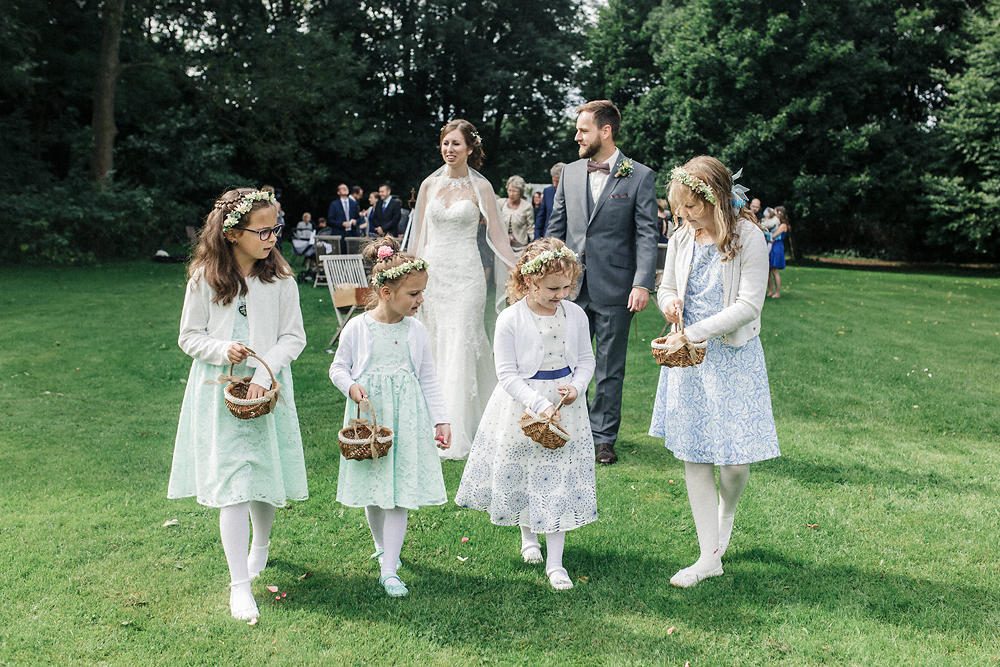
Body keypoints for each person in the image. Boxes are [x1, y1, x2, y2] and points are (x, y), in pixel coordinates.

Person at [168, 187, 308, 620]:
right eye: (262, 230)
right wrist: (221, 348)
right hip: (219, 390)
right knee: (233, 483)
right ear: (232, 233)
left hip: (267, 391)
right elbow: (189, 336)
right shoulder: (205, 279)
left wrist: (266, 375)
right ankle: (239, 585)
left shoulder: (280, 280)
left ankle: (261, 546)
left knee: (262, 472)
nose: (271, 237)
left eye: (275, 229)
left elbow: (293, 337)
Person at [650, 156, 779, 588]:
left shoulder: (750, 237)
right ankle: (708, 556)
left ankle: (728, 510)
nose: (684, 217)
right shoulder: (683, 235)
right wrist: (667, 303)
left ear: (717, 200)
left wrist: (697, 332)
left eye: (691, 207)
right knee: (695, 453)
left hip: (732, 358)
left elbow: (748, 307)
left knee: (735, 464)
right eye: (679, 208)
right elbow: (665, 285)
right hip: (687, 361)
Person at [455, 238, 597, 591]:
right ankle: (528, 537)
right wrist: (539, 404)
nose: (561, 294)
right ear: (529, 281)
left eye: (567, 286)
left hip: (566, 409)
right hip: (523, 406)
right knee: (525, 473)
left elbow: (586, 360)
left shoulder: (575, 315)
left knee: (557, 479)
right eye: (553, 288)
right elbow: (506, 373)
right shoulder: (511, 318)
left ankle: (555, 562)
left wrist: (577, 386)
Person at [329, 236, 451, 597]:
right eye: (413, 294)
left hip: (407, 418)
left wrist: (440, 418)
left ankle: (390, 568)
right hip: (372, 419)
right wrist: (351, 387)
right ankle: (383, 545)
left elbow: (427, 376)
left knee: (399, 493)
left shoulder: (416, 331)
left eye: (421, 292)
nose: (420, 300)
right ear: (385, 292)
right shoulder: (358, 328)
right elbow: (338, 368)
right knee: (375, 490)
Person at [546, 100, 658, 466]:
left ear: (605, 131)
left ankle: (603, 438)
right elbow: (556, 230)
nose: (577, 136)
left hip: (616, 288)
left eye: (583, 129)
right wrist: (545, 275)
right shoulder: (570, 173)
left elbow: (646, 234)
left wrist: (642, 283)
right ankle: (557, 426)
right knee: (561, 360)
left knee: (610, 366)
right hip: (569, 288)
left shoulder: (639, 175)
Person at [404, 119, 516, 460]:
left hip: (467, 276)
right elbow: (419, 236)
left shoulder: (482, 188)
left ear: (470, 148)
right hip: (434, 274)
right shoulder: (428, 186)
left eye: (456, 144)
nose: (449, 150)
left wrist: (518, 268)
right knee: (435, 341)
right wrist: (408, 275)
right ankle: (433, 425)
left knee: (463, 340)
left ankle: (464, 428)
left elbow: (496, 235)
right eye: (445, 143)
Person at [499, 175, 534, 254]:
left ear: (520, 192)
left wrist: (535, 242)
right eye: (509, 190)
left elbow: (530, 227)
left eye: (514, 191)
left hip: (520, 247)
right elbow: (497, 224)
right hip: (503, 245)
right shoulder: (501, 204)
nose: (511, 194)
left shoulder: (527, 206)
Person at [534, 162, 565, 240]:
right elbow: (541, 217)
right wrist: (537, 239)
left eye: (557, 181)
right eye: (553, 180)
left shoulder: (573, 192)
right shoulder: (548, 191)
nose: (555, 184)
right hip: (548, 236)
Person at [328, 183, 361, 252]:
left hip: (351, 234)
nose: (345, 189)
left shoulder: (353, 203)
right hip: (339, 235)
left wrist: (355, 221)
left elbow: (358, 218)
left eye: (346, 188)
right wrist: (342, 223)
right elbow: (330, 220)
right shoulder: (334, 204)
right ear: (338, 192)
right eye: (342, 188)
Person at [766, 206, 790, 298]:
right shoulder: (776, 223)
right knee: (768, 270)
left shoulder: (783, 225)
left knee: (774, 270)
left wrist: (766, 234)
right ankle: (771, 291)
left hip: (777, 247)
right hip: (771, 246)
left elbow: (775, 235)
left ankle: (777, 292)